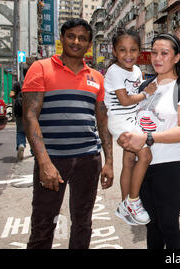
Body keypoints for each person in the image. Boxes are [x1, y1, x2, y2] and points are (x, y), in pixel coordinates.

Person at [22, 18, 114, 249]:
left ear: (89, 44)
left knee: (83, 222)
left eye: (82, 38)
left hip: (88, 160)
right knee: (43, 224)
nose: (76, 41)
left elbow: (102, 121)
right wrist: (44, 163)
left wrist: (109, 161)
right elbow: (30, 116)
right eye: (71, 36)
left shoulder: (97, 77)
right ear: (61, 39)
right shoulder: (40, 68)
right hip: (52, 160)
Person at [117, 33, 180, 249]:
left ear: (176, 57)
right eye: (154, 52)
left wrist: (147, 138)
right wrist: (126, 137)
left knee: (169, 225)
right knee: (151, 227)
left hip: (169, 166)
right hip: (141, 166)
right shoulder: (145, 87)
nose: (157, 58)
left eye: (164, 53)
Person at [104, 28, 157, 226]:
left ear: (138, 51)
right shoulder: (114, 71)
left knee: (128, 161)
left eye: (133, 50)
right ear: (115, 52)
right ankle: (133, 201)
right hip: (119, 120)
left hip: (132, 118)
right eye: (123, 50)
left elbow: (137, 88)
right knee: (145, 155)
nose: (128, 55)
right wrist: (147, 94)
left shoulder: (135, 70)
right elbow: (125, 99)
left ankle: (125, 205)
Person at [10, 66, 28, 162]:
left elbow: (11, 94)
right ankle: (34, 151)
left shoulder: (18, 84)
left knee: (20, 131)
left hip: (19, 111)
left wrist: (17, 98)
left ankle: (21, 145)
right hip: (30, 110)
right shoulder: (32, 83)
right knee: (32, 130)